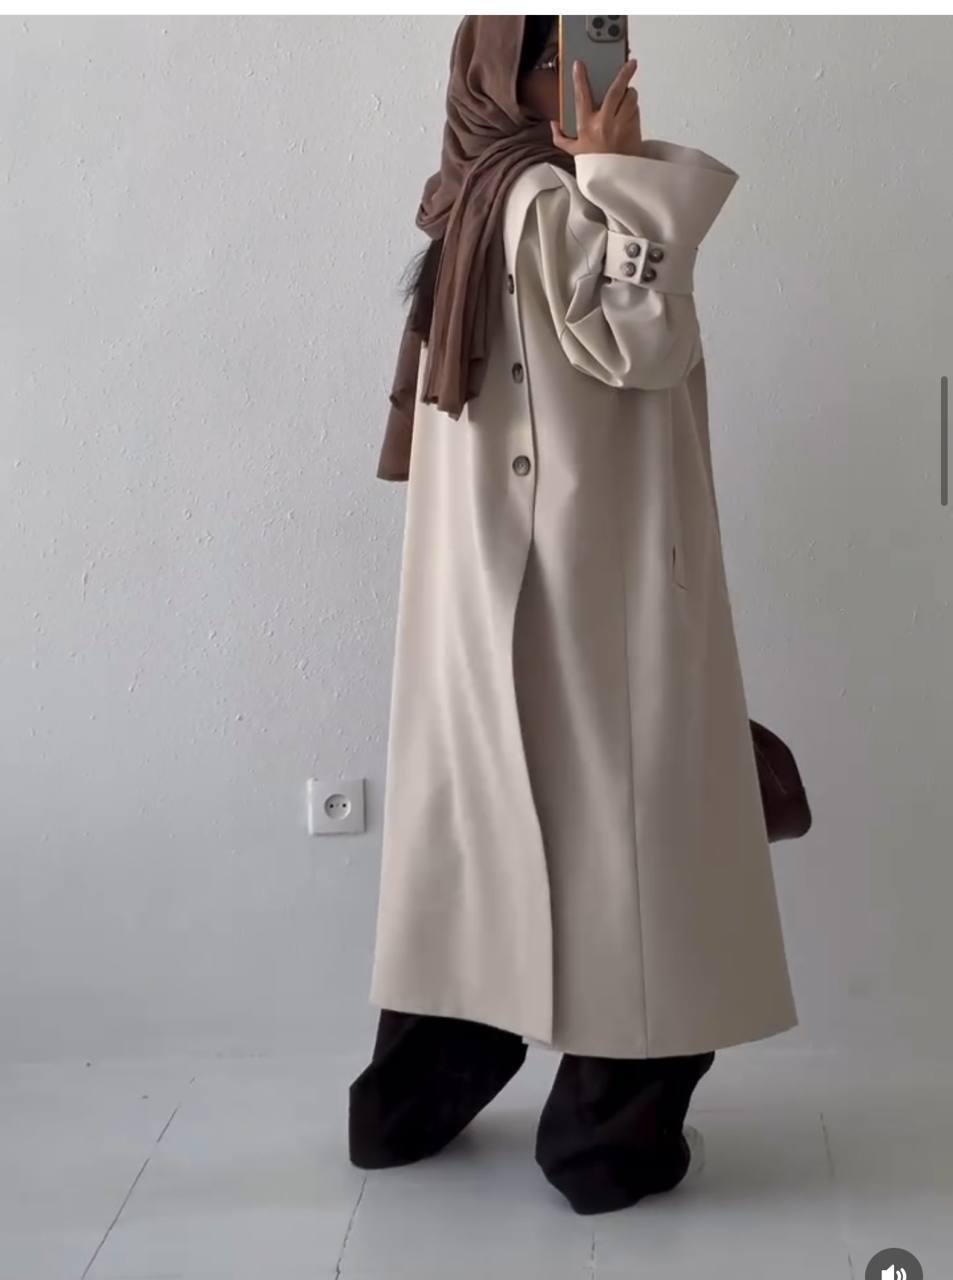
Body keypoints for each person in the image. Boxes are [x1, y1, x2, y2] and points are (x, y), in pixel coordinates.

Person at [349, 16, 798, 1216]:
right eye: (558, 58)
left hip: (495, 584)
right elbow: (639, 345)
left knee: (476, 839)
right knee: (642, 854)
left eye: (605, 46)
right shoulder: (545, 198)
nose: (596, 78)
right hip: (591, 585)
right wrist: (621, 176)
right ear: (500, 76)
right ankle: (607, 1145)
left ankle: (404, 1104)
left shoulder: (464, 192)